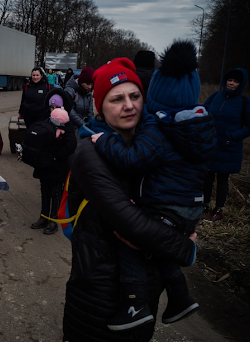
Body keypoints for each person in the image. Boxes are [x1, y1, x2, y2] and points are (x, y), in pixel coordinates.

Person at [62, 57, 197, 341]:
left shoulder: (149, 146)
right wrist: (184, 248)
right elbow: (129, 222)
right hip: (101, 290)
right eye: (116, 99)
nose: (129, 105)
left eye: (135, 96)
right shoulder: (90, 153)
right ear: (99, 107)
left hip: (144, 290)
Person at [90, 41, 215, 331]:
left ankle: (134, 305)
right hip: (191, 208)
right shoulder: (199, 127)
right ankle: (180, 297)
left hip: (166, 204)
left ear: (153, 95)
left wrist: (104, 140)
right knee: (159, 249)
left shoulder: (159, 128)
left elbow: (133, 160)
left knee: (131, 243)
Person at [203, 68, 250, 221]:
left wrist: (232, 137)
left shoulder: (245, 102)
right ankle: (204, 205)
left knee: (222, 179)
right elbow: (202, 113)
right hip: (211, 144)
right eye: (230, 80)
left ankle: (218, 211)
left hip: (228, 147)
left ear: (241, 84)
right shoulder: (215, 96)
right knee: (207, 176)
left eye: (235, 81)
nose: (231, 83)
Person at [25, 90, 76, 234]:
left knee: (55, 193)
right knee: (44, 191)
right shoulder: (46, 120)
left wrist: (58, 155)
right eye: (51, 107)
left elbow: (71, 143)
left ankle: (54, 220)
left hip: (58, 165)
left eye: (56, 107)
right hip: (44, 163)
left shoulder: (67, 123)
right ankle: (43, 217)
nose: (53, 110)